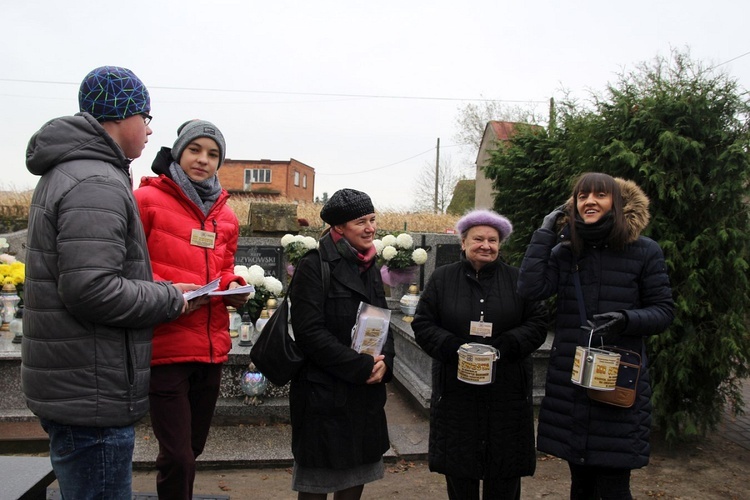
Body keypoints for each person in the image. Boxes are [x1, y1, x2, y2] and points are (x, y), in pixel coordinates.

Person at [22, 66, 198, 499]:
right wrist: (168, 298)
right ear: (121, 117)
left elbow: (92, 272)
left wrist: (151, 283)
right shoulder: (96, 181)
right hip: (92, 391)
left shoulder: (78, 171)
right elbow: (91, 289)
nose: (150, 130)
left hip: (80, 382)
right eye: (147, 117)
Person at [517, 172, 675, 500]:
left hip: (618, 382)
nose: (590, 201)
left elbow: (663, 312)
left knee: (615, 486)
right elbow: (530, 289)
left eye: (600, 195)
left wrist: (626, 319)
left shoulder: (645, 251)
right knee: (581, 482)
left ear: (616, 203)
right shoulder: (565, 252)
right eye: (582, 196)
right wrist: (545, 232)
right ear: (572, 205)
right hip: (572, 382)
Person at [134, 119, 250, 499]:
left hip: (210, 346)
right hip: (165, 344)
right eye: (195, 150)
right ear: (179, 152)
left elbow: (224, 268)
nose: (203, 160)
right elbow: (126, 265)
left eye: (213, 154)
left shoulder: (226, 215)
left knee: (191, 450)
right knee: (179, 455)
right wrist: (167, 290)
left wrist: (233, 286)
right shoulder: (147, 200)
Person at [411, 209, 548, 500]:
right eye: (478, 239)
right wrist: (453, 347)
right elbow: (423, 323)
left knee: (504, 475)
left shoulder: (518, 280)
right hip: (457, 395)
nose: (486, 245)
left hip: (507, 393)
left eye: (493, 240)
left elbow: (537, 323)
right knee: (461, 474)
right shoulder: (442, 278)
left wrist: (505, 346)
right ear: (463, 242)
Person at [288, 188, 395, 500]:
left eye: (372, 219)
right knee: (317, 483)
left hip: (363, 395)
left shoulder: (370, 266)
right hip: (324, 394)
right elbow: (310, 333)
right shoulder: (314, 264)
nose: (371, 227)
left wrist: (385, 362)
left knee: (355, 475)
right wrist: (361, 366)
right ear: (338, 228)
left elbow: (382, 321)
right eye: (361, 221)